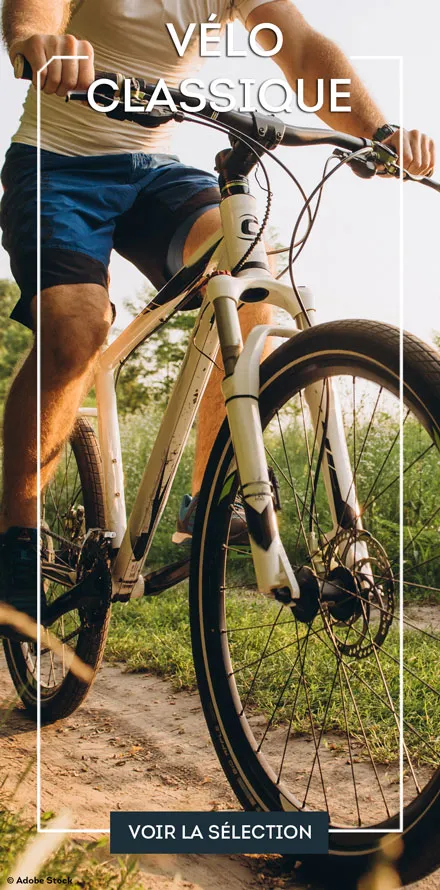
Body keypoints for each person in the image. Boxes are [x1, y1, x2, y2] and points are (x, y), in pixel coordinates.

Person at [0, 0, 435, 639]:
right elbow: (38, 10)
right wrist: (40, 43)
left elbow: (303, 48)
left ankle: (209, 497)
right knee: (75, 330)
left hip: (155, 171)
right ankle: (17, 532)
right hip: (58, 166)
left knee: (250, 277)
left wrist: (379, 130)